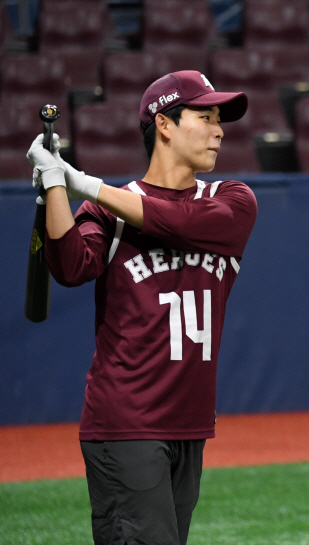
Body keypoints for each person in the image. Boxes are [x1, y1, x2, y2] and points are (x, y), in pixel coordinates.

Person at [26, 70, 258, 545]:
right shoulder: (106, 211)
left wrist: (83, 184)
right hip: (126, 421)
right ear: (165, 124)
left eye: (221, 120)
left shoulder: (233, 200)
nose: (219, 129)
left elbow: (175, 221)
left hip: (189, 424)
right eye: (205, 116)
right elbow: (71, 267)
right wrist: (55, 185)